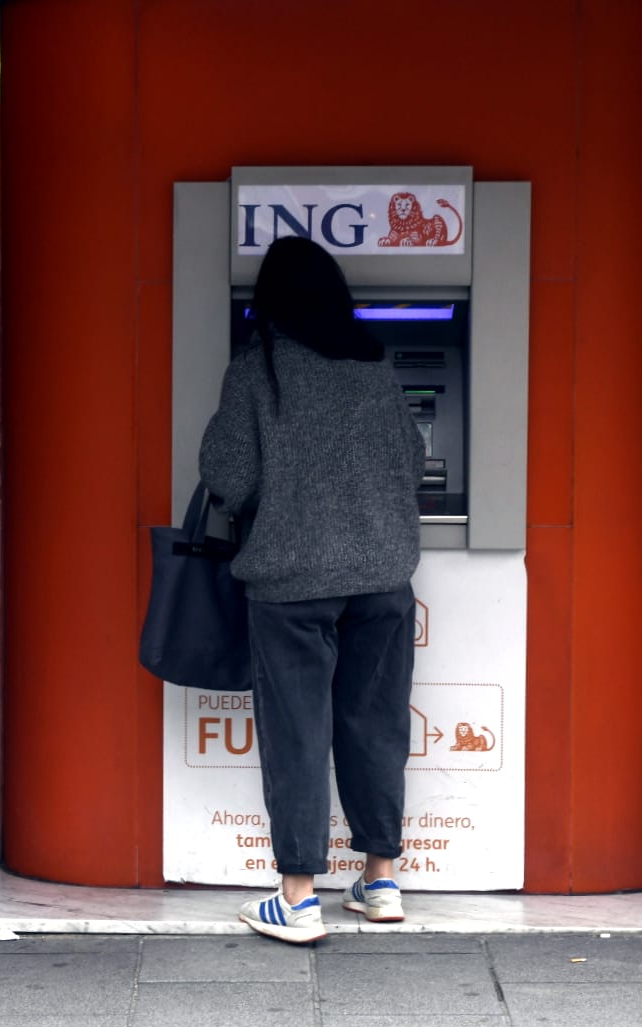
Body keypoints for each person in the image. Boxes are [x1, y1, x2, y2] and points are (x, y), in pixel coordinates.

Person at [199, 235, 427, 943]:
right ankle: (381, 880)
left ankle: (298, 897)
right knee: (375, 725)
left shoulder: (258, 368)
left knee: (299, 734)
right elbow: (414, 460)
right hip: (383, 577)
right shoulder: (374, 363)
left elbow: (227, 476)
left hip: (293, 583)